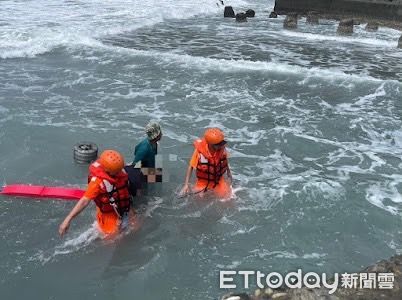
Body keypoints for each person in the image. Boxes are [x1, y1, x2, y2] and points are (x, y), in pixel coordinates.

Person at [59, 150, 131, 236]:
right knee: (112, 238)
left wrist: (151, 174)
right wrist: (68, 219)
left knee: (135, 227)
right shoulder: (97, 183)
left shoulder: (120, 170)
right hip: (108, 214)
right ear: (108, 170)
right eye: (117, 171)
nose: (120, 172)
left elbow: (137, 172)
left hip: (125, 208)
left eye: (120, 170)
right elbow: (84, 201)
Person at [181, 128, 233, 199]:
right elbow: (191, 166)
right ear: (210, 144)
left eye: (222, 143)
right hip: (203, 182)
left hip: (218, 181)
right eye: (218, 144)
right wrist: (186, 185)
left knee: (228, 198)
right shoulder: (199, 152)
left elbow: (224, 162)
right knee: (196, 199)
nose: (221, 145)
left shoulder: (222, 149)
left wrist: (229, 173)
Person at [125, 121, 162, 197]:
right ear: (156, 135)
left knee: (157, 180)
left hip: (148, 168)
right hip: (140, 171)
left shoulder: (154, 143)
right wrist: (138, 187)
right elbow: (134, 166)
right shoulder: (144, 148)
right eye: (160, 132)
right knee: (142, 194)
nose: (162, 133)